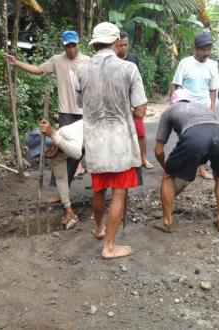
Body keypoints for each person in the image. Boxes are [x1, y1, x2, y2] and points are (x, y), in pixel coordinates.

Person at [75, 22, 147, 259]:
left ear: (94, 44)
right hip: (119, 143)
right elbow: (140, 110)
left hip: (95, 141)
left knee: (98, 188)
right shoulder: (128, 69)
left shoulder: (81, 70)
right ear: (116, 43)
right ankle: (109, 246)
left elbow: (79, 104)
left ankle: (98, 228)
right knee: (118, 192)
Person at [6, 30, 89, 203]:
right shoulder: (57, 61)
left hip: (85, 114)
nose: (71, 49)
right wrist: (17, 63)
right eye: (68, 46)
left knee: (83, 151)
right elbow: (38, 70)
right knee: (61, 153)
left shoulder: (88, 61)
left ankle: (97, 188)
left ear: (78, 44)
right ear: (64, 46)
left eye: (74, 45)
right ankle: (61, 193)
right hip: (66, 113)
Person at [154, 89, 219, 232]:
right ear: (189, 100)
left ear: (173, 101)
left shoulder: (170, 111)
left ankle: (166, 221)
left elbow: (158, 150)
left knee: (167, 175)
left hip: (195, 135)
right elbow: (207, 142)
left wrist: (165, 166)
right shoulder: (202, 107)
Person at [170, 31, 219, 180]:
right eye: (203, 49)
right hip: (186, 109)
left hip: (204, 109)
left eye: (209, 49)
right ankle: (183, 166)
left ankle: (202, 169)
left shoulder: (212, 65)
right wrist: (174, 106)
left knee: (205, 139)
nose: (206, 53)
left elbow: (212, 89)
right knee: (185, 138)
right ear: (195, 48)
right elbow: (175, 85)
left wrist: (212, 109)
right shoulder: (185, 63)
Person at [26, 119, 83, 229]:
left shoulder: (67, 133)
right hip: (82, 146)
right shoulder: (53, 155)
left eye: (44, 151)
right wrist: (68, 208)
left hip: (96, 134)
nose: (45, 155)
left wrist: (53, 135)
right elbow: (61, 178)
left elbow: (77, 154)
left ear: (51, 144)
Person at [118, 31, 153, 169]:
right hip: (119, 102)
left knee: (140, 132)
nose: (124, 48)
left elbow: (138, 81)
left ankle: (143, 158)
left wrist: (141, 102)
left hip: (134, 101)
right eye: (121, 45)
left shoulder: (133, 58)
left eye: (126, 45)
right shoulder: (113, 60)